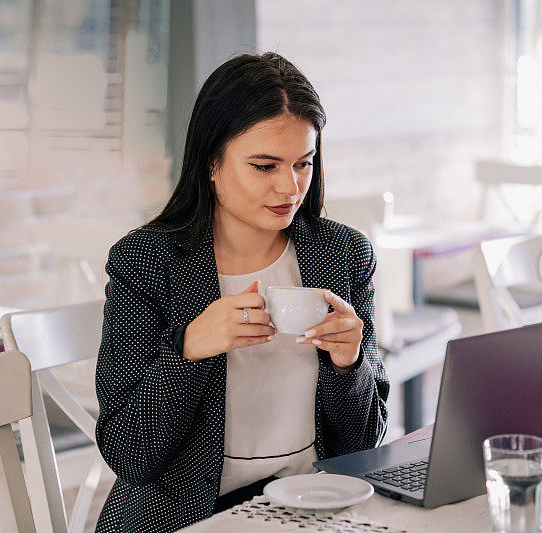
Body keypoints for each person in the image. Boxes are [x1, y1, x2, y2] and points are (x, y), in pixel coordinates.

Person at [94, 52, 390, 532]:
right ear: (212, 161)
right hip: (187, 518)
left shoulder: (342, 255)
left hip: (313, 508)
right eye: (264, 166)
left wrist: (350, 363)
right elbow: (130, 456)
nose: (290, 187)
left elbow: (363, 446)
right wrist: (189, 349)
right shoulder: (146, 263)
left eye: (304, 163)